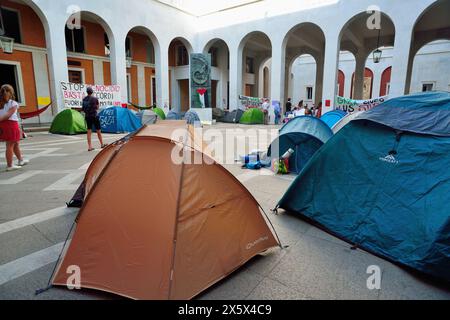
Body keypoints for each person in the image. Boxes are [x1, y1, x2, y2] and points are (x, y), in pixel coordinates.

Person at [0, 84, 29, 171]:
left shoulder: (0, 103)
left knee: (15, 143)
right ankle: (10, 165)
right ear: (11, 92)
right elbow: (8, 115)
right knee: (10, 145)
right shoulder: (13, 103)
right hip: (11, 125)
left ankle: (20, 160)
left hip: (3, 125)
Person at [82, 87, 106, 152]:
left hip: (87, 116)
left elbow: (83, 109)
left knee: (89, 131)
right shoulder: (95, 99)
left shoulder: (84, 99)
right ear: (92, 92)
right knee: (98, 130)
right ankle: (102, 144)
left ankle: (90, 146)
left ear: (87, 92)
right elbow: (97, 108)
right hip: (94, 116)